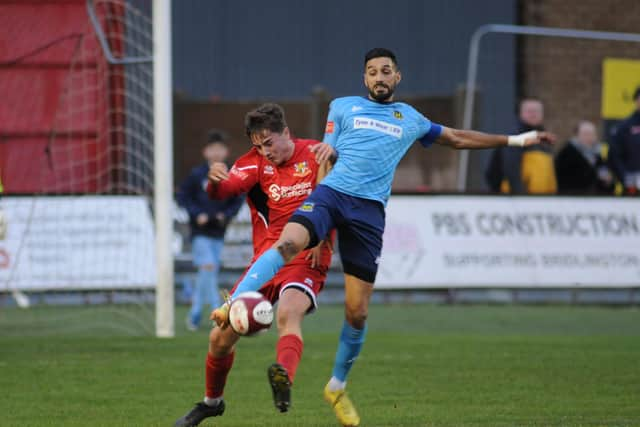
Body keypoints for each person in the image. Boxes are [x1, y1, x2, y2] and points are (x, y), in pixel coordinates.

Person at [211, 48, 555, 427]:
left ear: (397, 77)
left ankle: (337, 387)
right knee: (287, 243)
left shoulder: (410, 118)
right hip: (330, 195)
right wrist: (322, 232)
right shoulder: (342, 107)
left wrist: (518, 141)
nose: (378, 76)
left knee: (357, 313)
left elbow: (457, 137)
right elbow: (327, 157)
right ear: (364, 79)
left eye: (385, 71)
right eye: (372, 71)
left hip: (368, 213)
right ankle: (232, 304)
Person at [174, 104, 334, 427]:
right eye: (258, 145)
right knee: (218, 339)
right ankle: (211, 403)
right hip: (265, 262)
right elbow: (225, 189)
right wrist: (215, 181)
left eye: (269, 143)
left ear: (286, 133)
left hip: (306, 257)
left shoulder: (316, 155)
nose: (265, 151)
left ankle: (283, 378)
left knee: (288, 315)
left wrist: (323, 239)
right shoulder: (254, 163)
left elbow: (335, 200)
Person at [178, 131, 243, 331]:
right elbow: (183, 197)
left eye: (220, 149)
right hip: (200, 232)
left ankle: (195, 317)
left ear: (226, 152)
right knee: (208, 268)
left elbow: (238, 198)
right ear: (205, 152)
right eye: (212, 148)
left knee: (207, 272)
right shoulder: (197, 174)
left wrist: (226, 215)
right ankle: (219, 312)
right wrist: (197, 214)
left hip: (218, 231)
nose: (216, 152)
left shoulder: (231, 173)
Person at [486, 98, 557, 194]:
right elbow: (511, 168)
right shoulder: (515, 137)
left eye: (537, 111)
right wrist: (519, 195)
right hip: (521, 200)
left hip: (543, 199)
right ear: (520, 113)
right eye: (529, 111)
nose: (533, 114)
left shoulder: (544, 139)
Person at [555, 120, 614, 195]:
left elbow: (605, 176)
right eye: (586, 134)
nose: (589, 137)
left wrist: (608, 182)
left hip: (596, 199)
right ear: (576, 135)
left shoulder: (599, 153)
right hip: (573, 198)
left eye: (592, 134)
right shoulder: (566, 153)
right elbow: (562, 179)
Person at [609, 86, 640, 195]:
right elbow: (614, 155)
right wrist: (625, 178)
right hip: (633, 186)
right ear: (636, 101)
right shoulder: (624, 127)